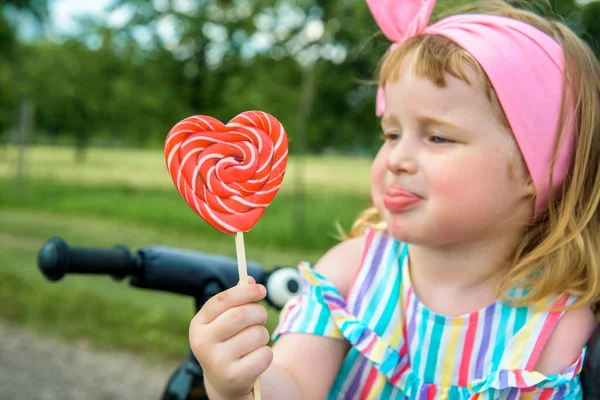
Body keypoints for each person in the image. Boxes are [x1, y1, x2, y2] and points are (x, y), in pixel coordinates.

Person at [188, 0, 600, 398]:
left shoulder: (556, 325)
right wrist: (236, 384)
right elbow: (293, 384)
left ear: (539, 168)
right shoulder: (354, 275)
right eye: (391, 134)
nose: (397, 159)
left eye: (438, 136)